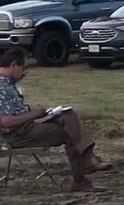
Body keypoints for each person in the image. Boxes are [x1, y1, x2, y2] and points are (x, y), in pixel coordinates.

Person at [0, 48, 111, 191]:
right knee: (70, 132)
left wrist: (43, 112)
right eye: (24, 67)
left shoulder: (7, 83)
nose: (26, 72)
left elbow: (16, 110)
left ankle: (87, 163)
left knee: (68, 115)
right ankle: (83, 174)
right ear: (14, 64)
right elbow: (4, 122)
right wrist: (34, 115)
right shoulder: (1, 86)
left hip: (25, 128)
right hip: (17, 135)